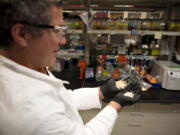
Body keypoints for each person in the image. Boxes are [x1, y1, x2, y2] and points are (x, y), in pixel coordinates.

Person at [0, 0, 141, 135]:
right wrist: (116, 104)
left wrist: (101, 92)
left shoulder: (29, 65)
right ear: (22, 34)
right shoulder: (31, 110)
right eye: (57, 30)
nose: (63, 40)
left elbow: (60, 99)